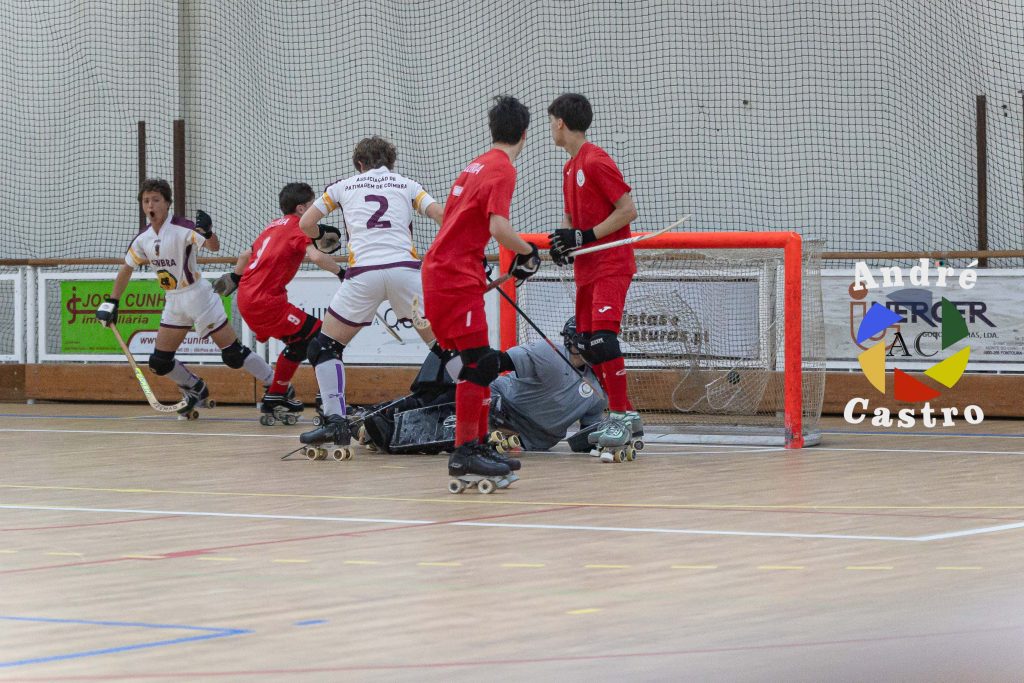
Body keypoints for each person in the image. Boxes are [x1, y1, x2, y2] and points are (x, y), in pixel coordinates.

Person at [294, 136, 446, 456]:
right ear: (390, 162)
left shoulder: (343, 186)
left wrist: (322, 235)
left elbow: (306, 223)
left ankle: (335, 422)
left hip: (363, 275)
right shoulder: (406, 184)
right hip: (406, 273)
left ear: (360, 164)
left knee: (325, 347)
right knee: (445, 348)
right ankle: (481, 410)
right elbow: (441, 216)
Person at [421, 95, 541, 488]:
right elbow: (499, 228)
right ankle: (465, 452)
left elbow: (459, 223)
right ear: (525, 134)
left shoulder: (474, 164)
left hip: (447, 271)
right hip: (453, 276)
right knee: (481, 364)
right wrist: (528, 252)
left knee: (473, 364)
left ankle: (474, 445)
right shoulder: (503, 169)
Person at [96, 178, 273, 418]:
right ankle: (195, 387)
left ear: (167, 203)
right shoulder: (142, 238)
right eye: (146, 201)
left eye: (156, 200)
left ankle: (276, 385)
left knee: (232, 354)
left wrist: (208, 232)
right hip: (174, 300)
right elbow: (127, 268)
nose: (150, 205)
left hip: (199, 297)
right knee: (159, 362)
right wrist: (113, 301)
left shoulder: (182, 227)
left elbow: (213, 246)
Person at [546, 93, 643, 458]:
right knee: (585, 344)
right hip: (586, 267)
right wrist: (564, 243)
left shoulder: (596, 160)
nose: (551, 128)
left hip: (610, 264)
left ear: (560, 122)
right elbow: (571, 219)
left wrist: (585, 237)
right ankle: (626, 414)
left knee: (603, 340)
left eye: (551, 122)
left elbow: (627, 210)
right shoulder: (569, 167)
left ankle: (618, 415)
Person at [360, 316, 607, 454]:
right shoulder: (548, 352)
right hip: (501, 404)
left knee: (450, 428)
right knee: (458, 383)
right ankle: (384, 418)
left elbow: (586, 438)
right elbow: (499, 362)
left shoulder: (599, 390)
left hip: (528, 440)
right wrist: (460, 357)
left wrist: (609, 438)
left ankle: (383, 428)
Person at [212, 182, 346, 425]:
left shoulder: (272, 225)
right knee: (323, 338)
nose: (316, 209)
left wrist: (234, 278)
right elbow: (316, 256)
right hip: (266, 302)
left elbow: (245, 255)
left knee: (299, 344)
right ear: (301, 208)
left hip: (247, 298)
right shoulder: (298, 227)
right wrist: (342, 274)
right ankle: (326, 400)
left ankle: (276, 396)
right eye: (312, 205)